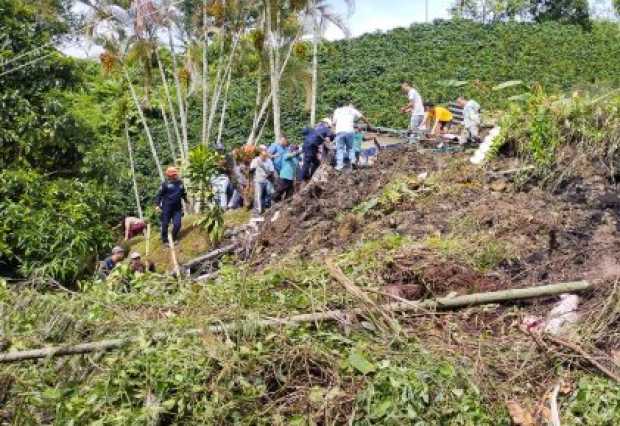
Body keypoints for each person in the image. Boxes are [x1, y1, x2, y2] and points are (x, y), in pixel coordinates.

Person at [332, 101, 370, 171]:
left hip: (340, 131)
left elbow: (334, 123)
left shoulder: (337, 110)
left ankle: (339, 166)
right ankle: (353, 161)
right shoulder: (352, 110)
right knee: (350, 148)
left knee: (340, 149)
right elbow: (362, 117)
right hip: (349, 131)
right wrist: (368, 124)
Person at [155, 166, 188, 245]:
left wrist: (186, 200)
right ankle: (165, 240)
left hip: (177, 208)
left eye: (175, 174)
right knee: (165, 224)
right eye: (173, 174)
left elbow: (183, 193)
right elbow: (159, 195)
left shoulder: (180, 183)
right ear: (169, 175)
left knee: (177, 224)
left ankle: (173, 238)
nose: (175, 175)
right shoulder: (165, 184)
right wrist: (157, 205)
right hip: (167, 207)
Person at [250, 148, 275, 215]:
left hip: (267, 180)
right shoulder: (255, 160)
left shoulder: (269, 161)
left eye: (265, 156)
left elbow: (272, 171)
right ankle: (258, 211)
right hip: (258, 180)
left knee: (268, 194)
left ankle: (267, 209)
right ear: (260, 155)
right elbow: (251, 171)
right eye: (263, 156)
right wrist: (253, 169)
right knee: (259, 196)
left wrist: (268, 174)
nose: (264, 157)